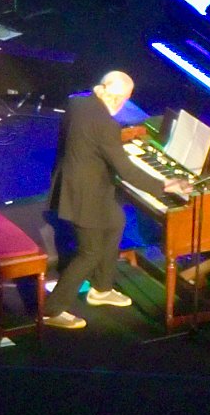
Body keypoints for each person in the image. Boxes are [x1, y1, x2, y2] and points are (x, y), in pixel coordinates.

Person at [43, 71, 190, 329]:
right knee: (89, 253)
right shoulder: (106, 125)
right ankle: (51, 311)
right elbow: (126, 170)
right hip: (83, 194)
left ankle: (101, 289)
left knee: (115, 220)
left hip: (78, 182)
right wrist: (166, 184)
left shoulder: (78, 103)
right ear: (119, 98)